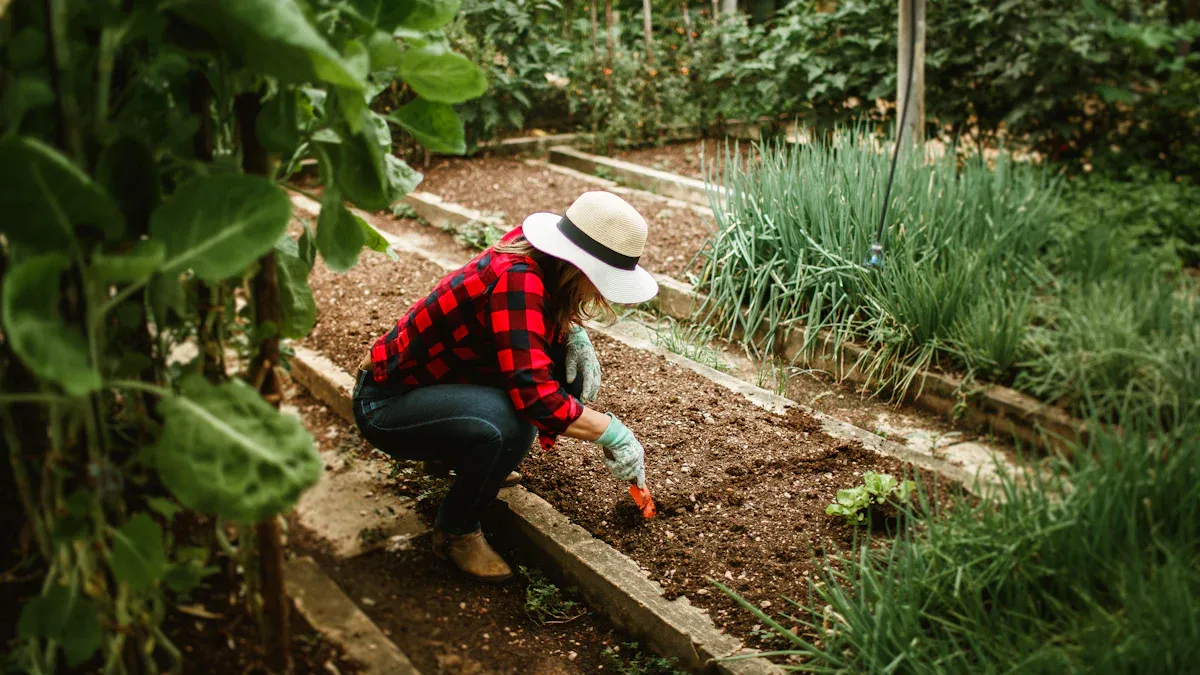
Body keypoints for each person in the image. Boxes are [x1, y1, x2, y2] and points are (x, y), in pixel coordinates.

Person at [352, 191, 659, 582]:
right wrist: (614, 433)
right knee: (511, 423)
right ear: (578, 268)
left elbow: (523, 336)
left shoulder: (532, 255)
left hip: (428, 388)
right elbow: (537, 399)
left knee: (562, 376)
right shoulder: (518, 279)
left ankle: (453, 455)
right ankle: (456, 532)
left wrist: (573, 334)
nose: (601, 294)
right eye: (601, 281)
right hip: (385, 406)